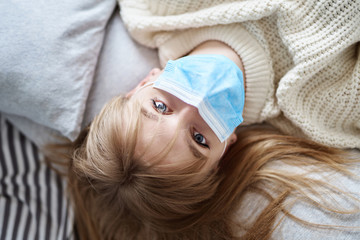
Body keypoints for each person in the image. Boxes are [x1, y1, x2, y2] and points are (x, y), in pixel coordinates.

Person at [59, 0, 360, 239]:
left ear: (143, 83)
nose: (196, 102)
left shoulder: (152, 10)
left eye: (161, 107)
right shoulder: (327, 110)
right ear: (226, 148)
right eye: (199, 139)